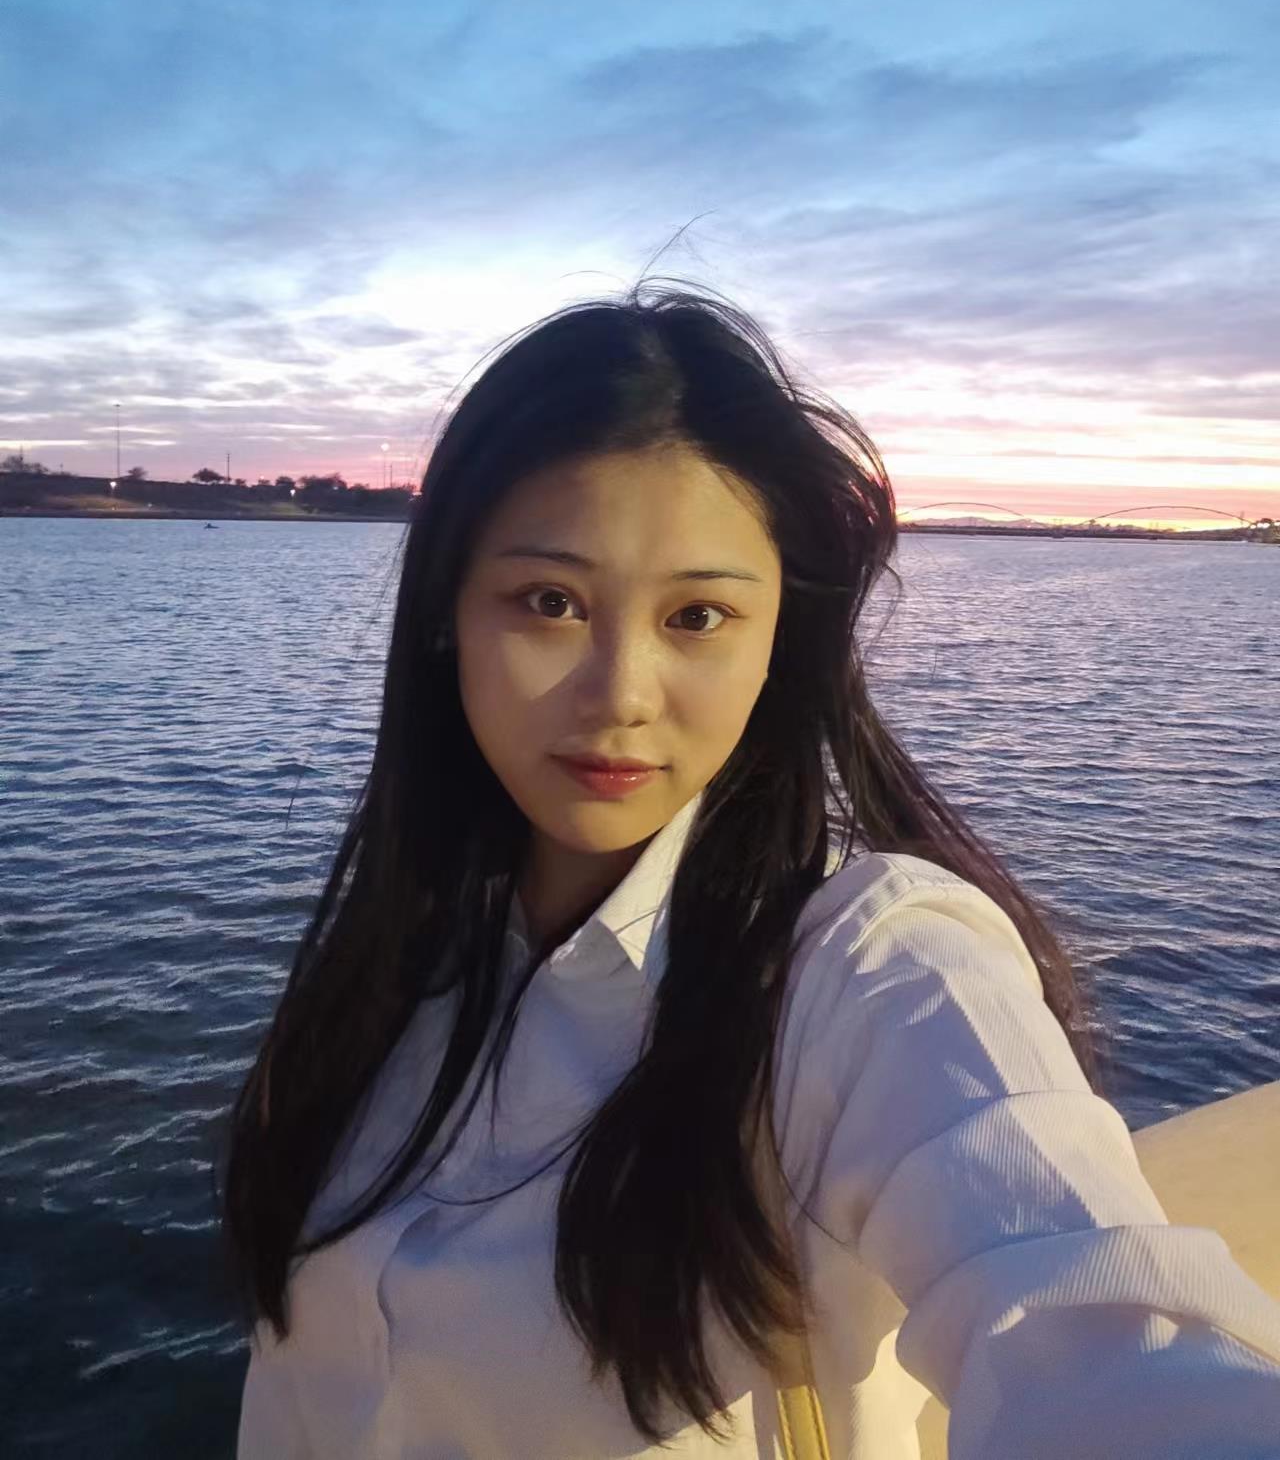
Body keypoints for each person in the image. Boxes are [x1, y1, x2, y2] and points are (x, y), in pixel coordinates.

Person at [217, 281, 1280, 1458]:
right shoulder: (401, 964)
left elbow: (1093, 1333)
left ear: (780, 640)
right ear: (445, 618)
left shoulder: (867, 971)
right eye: (549, 603)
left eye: (697, 618)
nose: (620, 695)